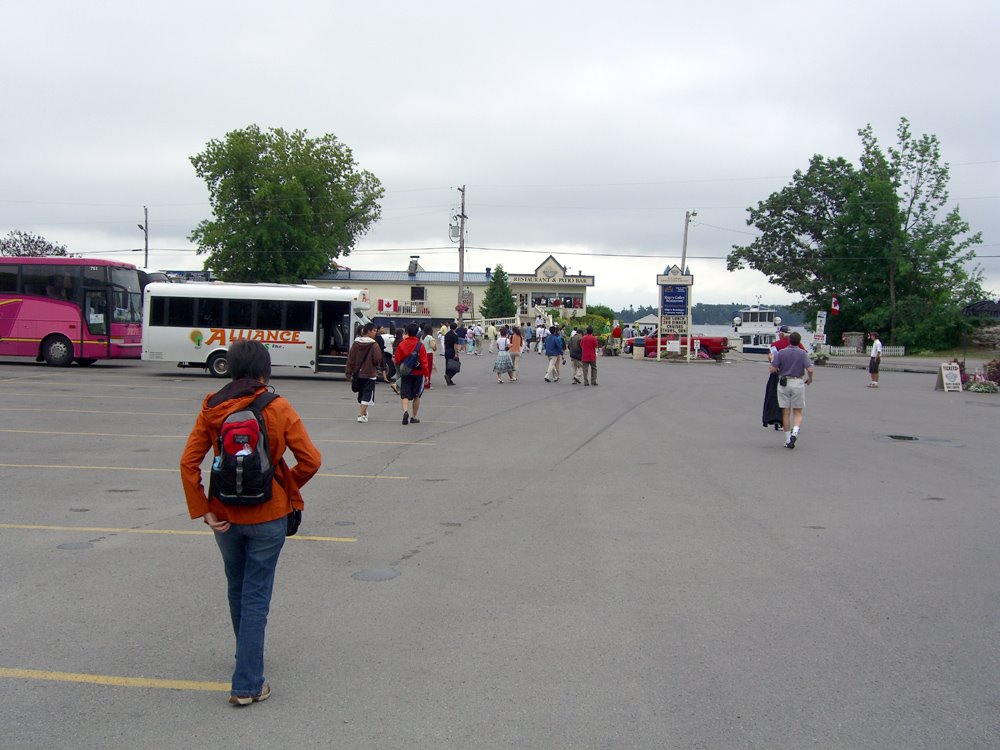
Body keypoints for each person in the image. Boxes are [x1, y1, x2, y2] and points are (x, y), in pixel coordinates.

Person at [180, 340, 321, 706]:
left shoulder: (212, 406)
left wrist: (203, 509)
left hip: (224, 514)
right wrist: (283, 485)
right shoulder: (277, 407)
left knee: (237, 586)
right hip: (268, 514)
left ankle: (246, 656)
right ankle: (248, 683)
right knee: (256, 594)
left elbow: (188, 462)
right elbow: (311, 460)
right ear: (264, 370)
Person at [769, 331, 814, 449]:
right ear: (799, 342)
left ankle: (788, 438)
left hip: (784, 382)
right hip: (797, 382)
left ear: (789, 341)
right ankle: (795, 432)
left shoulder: (781, 353)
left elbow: (773, 369)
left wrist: (771, 360)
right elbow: (810, 369)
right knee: (798, 411)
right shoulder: (802, 353)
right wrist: (810, 379)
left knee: (785, 412)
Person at [345, 322, 384, 423]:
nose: (376, 333)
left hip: (358, 373)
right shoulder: (374, 345)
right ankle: (361, 415)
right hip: (369, 373)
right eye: (374, 331)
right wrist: (377, 365)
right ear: (369, 331)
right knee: (367, 394)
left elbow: (350, 359)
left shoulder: (356, 344)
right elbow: (377, 359)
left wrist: (348, 373)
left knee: (361, 394)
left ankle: (364, 412)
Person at [394, 322, 429, 424]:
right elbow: (424, 361)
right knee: (416, 395)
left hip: (406, 373)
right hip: (418, 373)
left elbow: (397, 359)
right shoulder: (420, 345)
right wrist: (426, 374)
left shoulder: (402, 344)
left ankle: (405, 411)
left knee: (404, 395)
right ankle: (413, 417)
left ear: (407, 332)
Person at [422, 323, 438, 390]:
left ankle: (424, 383)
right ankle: (427, 384)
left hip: (423, 353)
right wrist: (435, 346)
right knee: (429, 370)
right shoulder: (430, 337)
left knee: (424, 369)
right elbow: (433, 347)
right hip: (429, 354)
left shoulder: (423, 337)